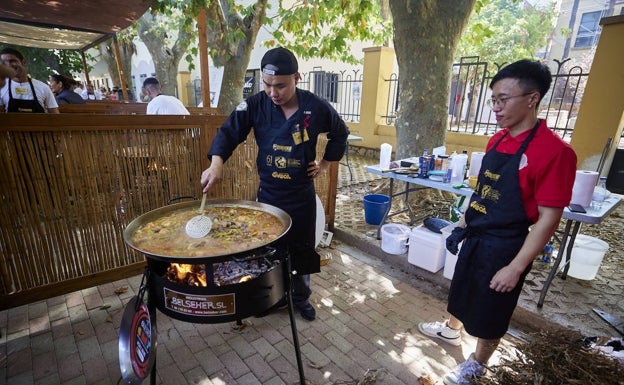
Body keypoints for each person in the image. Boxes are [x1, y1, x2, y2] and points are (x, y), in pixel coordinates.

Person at [418, 59, 577, 385]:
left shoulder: (555, 152)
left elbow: (549, 219)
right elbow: (484, 192)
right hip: (476, 236)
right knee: (462, 293)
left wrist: (516, 267)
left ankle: (477, 364)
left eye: (503, 99)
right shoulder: (497, 140)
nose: (496, 107)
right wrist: (462, 222)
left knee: (491, 314)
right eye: (493, 99)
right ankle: (451, 332)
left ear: (532, 98)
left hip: (505, 248)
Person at [200, 47, 349, 321]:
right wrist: (216, 163)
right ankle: (272, 296)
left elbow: (341, 133)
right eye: (267, 85)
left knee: (302, 249)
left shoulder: (315, 107)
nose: (273, 92)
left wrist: (325, 164)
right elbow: (229, 131)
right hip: (268, 195)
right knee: (268, 251)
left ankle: (300, 298)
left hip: (301, 196)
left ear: (297, 78)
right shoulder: (255, 104)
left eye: (280, 85)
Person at [0, 47, 59, 113]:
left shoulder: (43, 87)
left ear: (23, 62)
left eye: (12, 61)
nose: (8, 65)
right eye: (4, 63)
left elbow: (55, 117)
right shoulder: (1, 88)